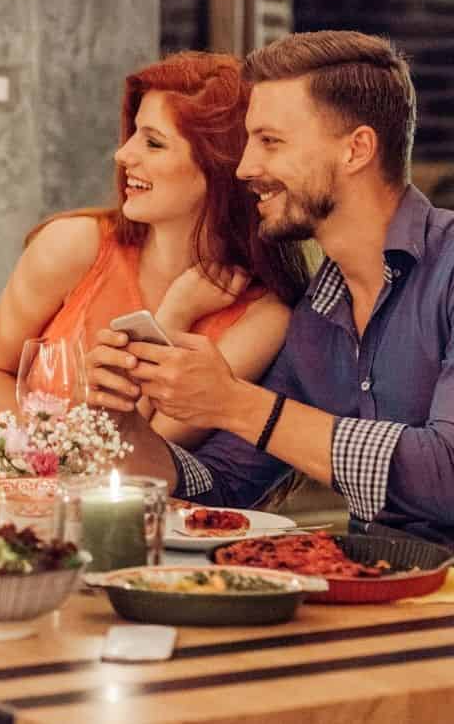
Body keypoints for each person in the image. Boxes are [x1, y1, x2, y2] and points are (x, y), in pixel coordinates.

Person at [91, 31, 454, 547]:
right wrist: (122, 421)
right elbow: (221, 487)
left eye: (270, 141)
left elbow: (447, 473)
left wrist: (234, 403)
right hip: (377, 594)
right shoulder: (319, 314)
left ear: (357, 149)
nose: (245, 168)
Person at [0, 52, 309, 448]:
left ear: (219, 166)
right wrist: (40, 459)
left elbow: (147, 454)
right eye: (133, 134)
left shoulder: (262, 319)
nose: (124, 154)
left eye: (153, 142)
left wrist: (174, 316)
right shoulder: (72, 246)